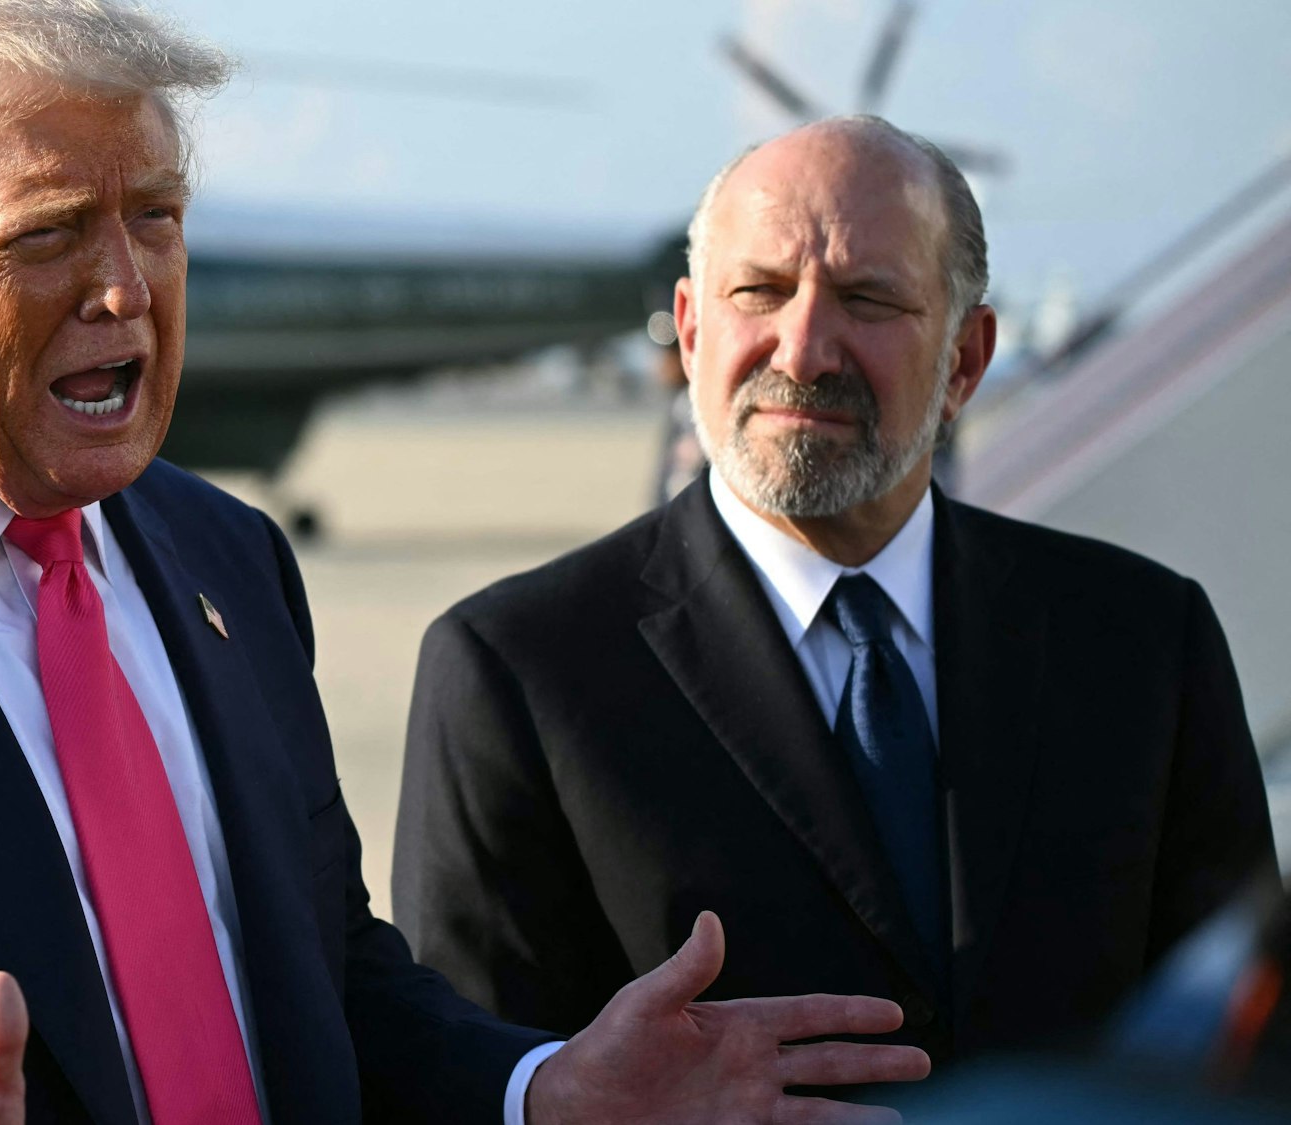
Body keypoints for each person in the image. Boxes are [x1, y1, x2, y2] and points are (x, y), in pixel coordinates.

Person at [0, 5, 929, 1124]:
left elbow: (325, 978)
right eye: (47, 234)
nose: (125, 285)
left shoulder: (223, 556)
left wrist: (539, 1087)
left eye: (156, 219)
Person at [393, 115, 1276, 1065]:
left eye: (866, 298)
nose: (805, 348)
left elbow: (1247, 1039)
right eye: (760, 291)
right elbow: (466, 1077)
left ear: (965, 361)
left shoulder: (1143, 642)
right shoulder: (518, 674)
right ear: (690, 332)